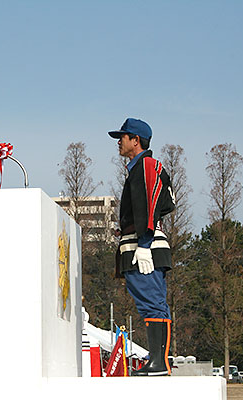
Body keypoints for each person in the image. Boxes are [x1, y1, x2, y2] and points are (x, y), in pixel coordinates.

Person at [108, 118, 175, 376]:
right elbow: (165, 203)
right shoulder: (142, 168)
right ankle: (158, 361)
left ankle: (159, 363)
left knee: (152, 303)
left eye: (123, 137)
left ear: (136, 141)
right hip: (139, 243)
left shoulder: (146, 165)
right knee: (152, 302)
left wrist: (144, 242)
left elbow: (152, 203)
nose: (119, 141)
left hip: (143, 248)